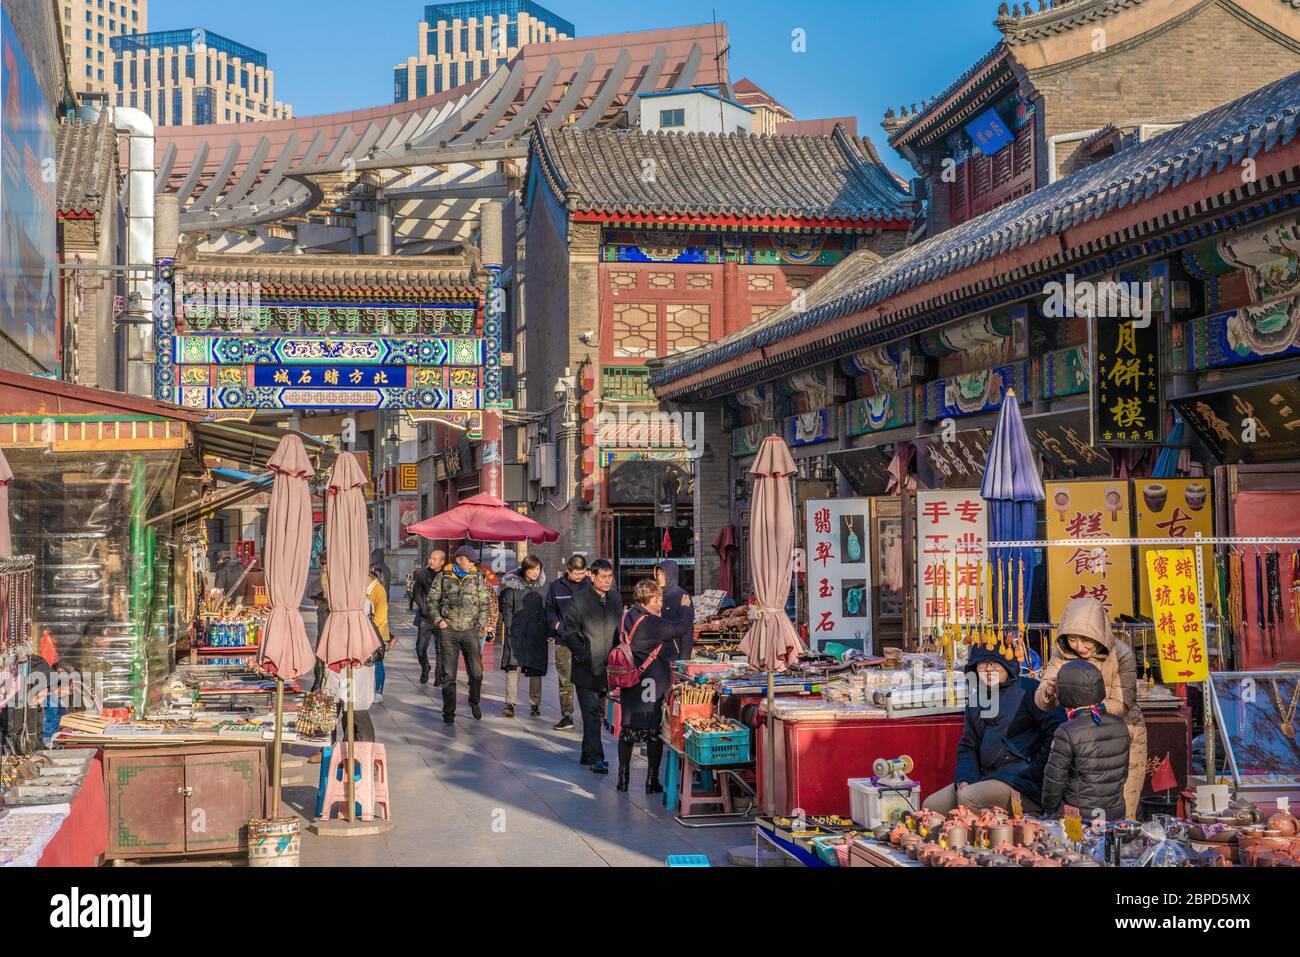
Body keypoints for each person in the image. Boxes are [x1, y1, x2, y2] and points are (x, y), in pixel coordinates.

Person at [1035, 596, 1147, 818]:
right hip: (1082, 739)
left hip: (1121, 735)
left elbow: (1124, 703)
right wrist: (1047, 692)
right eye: (1074, 639)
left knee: (1122, 806)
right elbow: (1041, 699)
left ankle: (1122, 850)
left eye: (1087, 640)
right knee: (1081, 805)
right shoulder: (1062, 653)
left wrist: (1087, 710)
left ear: (1099, 634)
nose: (1080, 647)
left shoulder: (1121, 654)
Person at [923, 643, 1064, 813]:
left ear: (1008, 665)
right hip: (988, 776)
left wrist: (1035, 769)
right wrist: (964, 779)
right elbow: (968, 745)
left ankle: (986, 838)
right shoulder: (976, 699)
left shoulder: (1028, 689)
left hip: (1023, 780)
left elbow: (1057, 731)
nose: (989, 669)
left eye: (996, 663)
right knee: (931, 806)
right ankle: (950, 838)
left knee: (969, 797)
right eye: (983, 664)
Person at [615, 578, 690, 793]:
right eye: (657, 600)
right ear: (647, 599)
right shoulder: (650, 622)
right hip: (650, 682)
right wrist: (685, 609)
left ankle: (623, 779)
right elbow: (681, 628)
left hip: (630, 680)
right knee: (653, 731)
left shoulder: (626, 617)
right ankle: (652, 781)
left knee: (627, 730)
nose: (660, 604)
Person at [1040, 659, 1131, 822]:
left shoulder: (1067, 731)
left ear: (1065, 693)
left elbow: (1053, 782)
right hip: (1115, 815)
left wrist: (1049, 811)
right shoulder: (1120, 724)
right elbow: (1122, 775)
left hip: (1080, 818)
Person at [558, 558, 622, 773]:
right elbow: (569, 633)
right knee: (592, 712)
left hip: (608, 667)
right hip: (585, 667)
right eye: (602, 577)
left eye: (609, 576)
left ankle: (587, 754)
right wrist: (584, 654)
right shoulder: (579, 600)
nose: (606, 581)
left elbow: (618, 628)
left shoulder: (615, 598)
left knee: (598, 713)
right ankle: (597, 758)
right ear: (591, 577)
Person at [428, 544, 493, 724]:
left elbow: (484, 603)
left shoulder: (477, 578)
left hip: (470, 631)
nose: (472, 563)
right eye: (469, 560)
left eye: (473, 561)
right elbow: (432, 600)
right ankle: (449, 713)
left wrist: (480, 626)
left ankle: (474, 701)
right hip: (449, 630)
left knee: (477, 672)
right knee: (449, 675)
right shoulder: (444, 577)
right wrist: (439, 620)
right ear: (459, 559)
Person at [544, 554, 590, 731]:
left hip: (587, 640)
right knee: (565, 679)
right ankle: (567, 715)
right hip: (563, 640)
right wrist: (557, 625)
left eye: (582, 572)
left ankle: (591, 713)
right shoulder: (556, 587)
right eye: (576, 573)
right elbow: (549, 608)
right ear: (568, 571)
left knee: (589, 678)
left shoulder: (590, 585)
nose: (579, 576)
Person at [498, 556, 548, 717]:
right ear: (524, 569)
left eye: (538, 569)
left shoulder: (544, 588)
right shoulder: (512, 589)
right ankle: (510, 703)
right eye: (532, 569)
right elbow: (506, 611)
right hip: (517, 634)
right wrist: (511, 627)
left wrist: (547, 631)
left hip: (537, 634)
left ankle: (535, 703)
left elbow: (548, 610)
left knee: (535, 670)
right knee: (513, 668)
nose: (535, 572)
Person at [411, 549, 446, 685]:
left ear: (442, 562)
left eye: (435, 559)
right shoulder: (422, 574)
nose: (431, 561)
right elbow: (416, 593)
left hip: (442, 618)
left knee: (440, 649)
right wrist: (423, 607)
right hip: (426, 617)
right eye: (431, 558)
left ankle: (439, 676)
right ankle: (425, 667)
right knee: (420, 647)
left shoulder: (446, 576)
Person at [653, 560, 694, 661]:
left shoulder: (681, 596)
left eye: (663, 574)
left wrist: (684, 658)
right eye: (658, 574)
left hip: (675, 652)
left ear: (671, 574)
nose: (660, 577)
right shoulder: (656, 595)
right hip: (657, 652)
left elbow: (688, 630)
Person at [367, 565, 394, 703]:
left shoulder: (378, 589)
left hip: (377, 632)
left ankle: (378, 691)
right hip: (366, 631)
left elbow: (381, 615)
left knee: (377, 661)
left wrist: (369, 628)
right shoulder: (365, 589)